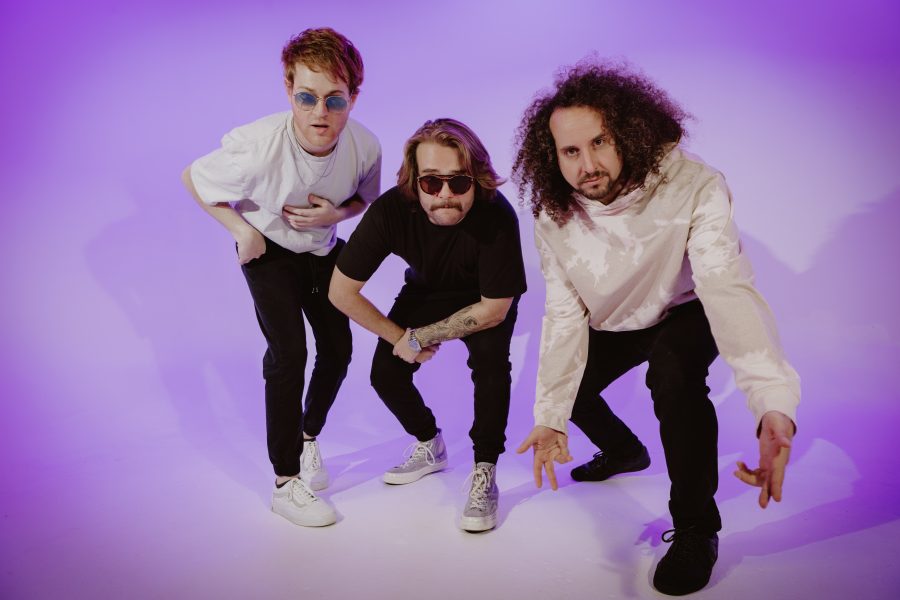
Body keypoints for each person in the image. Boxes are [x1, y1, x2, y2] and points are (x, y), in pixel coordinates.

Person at [512, 60, 800, 595]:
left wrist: (771, 403)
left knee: (672, 375)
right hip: (617, 317)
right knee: (568, 390)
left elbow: (728, 290)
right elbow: (563, 313)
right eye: (570, 151)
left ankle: (696, 528)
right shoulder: (554, 214)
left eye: (600, 142)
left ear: (628, 132)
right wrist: (550, 416)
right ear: (552, 156)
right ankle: (625, 451)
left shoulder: (693, 185)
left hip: (687, 306)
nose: (588, 164)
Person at [181, 28, 381, 527]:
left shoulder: (365, 145)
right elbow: (194, 178)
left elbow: (365, 199)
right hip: (268, 252)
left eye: (335, 99)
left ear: (353, 97)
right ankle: (285, 482)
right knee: (290, 354)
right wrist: (240, 229)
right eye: (307, 97)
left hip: (323, 249)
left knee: (338, 350)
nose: (320, 113)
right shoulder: (257, 146)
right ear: (289, 89)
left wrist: (335, 215)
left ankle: (308, 436)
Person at [329, 118, 526, 532]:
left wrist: (420, 337)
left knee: (491, 367)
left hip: (485, 296)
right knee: (385, 374)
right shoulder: (391, 211)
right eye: (432, 182)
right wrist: (399, 337)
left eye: (460, 181)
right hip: (426, 290)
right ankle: (429, 443)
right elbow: (341, 292)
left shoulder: (496, 214)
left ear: (477, 179)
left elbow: (495, 309)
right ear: (414, 181)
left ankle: (485, 468)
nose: (446, 195)